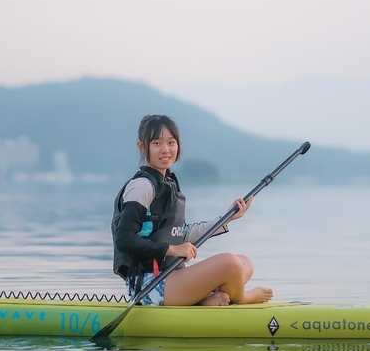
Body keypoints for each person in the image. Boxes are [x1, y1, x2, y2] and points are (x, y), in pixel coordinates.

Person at [111, 114, 274, 307]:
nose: (165, 150)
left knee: (244, 262)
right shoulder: (142, 187)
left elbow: (182, 234)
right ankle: (244, 297)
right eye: (157, 143)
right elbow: (124, 239)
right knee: (230, 263)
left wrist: (227, 218)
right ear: (142, 146)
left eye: (171, 142)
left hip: (172, 277)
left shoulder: (167, 184)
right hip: (149, 286)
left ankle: (203, 300)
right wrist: (172, 249)